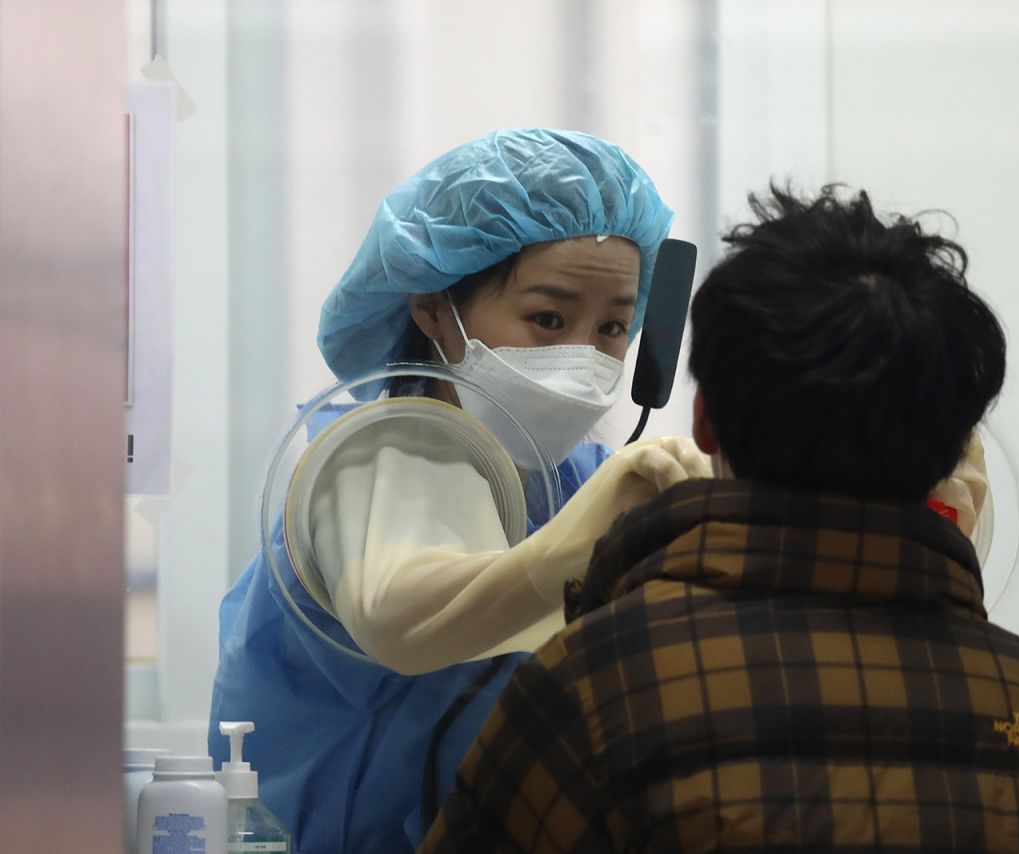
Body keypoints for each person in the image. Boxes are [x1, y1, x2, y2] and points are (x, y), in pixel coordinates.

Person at [422, 185, 1019, 852]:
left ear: (706, 424)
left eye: (612, 328)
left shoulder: (592, 692)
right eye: (550, 318)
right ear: (956, 452)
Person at [209, 129, 711, 854]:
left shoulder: (571, 481)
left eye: (610, 326)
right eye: (548, 318)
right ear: (434, 309)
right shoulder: (383, 451)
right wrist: (569, 555)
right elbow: (406, 621)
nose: (585, 353)